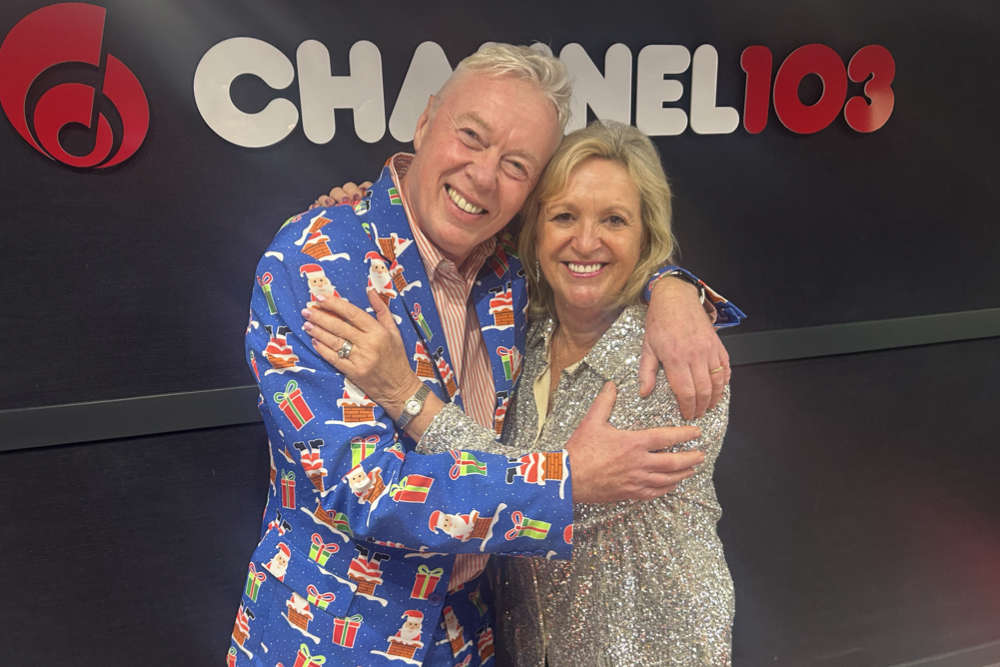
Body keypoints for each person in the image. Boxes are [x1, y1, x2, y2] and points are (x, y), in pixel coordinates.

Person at [231, 43, 741, 666]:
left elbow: (597, 255)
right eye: (470, 136)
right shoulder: (319, 259)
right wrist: (566, 481)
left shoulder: (510, 275)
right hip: (337, 639)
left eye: (517, 165)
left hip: (474, 636)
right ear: (425, 122)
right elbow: (368, 494)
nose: (482, 175)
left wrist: (674, 288)